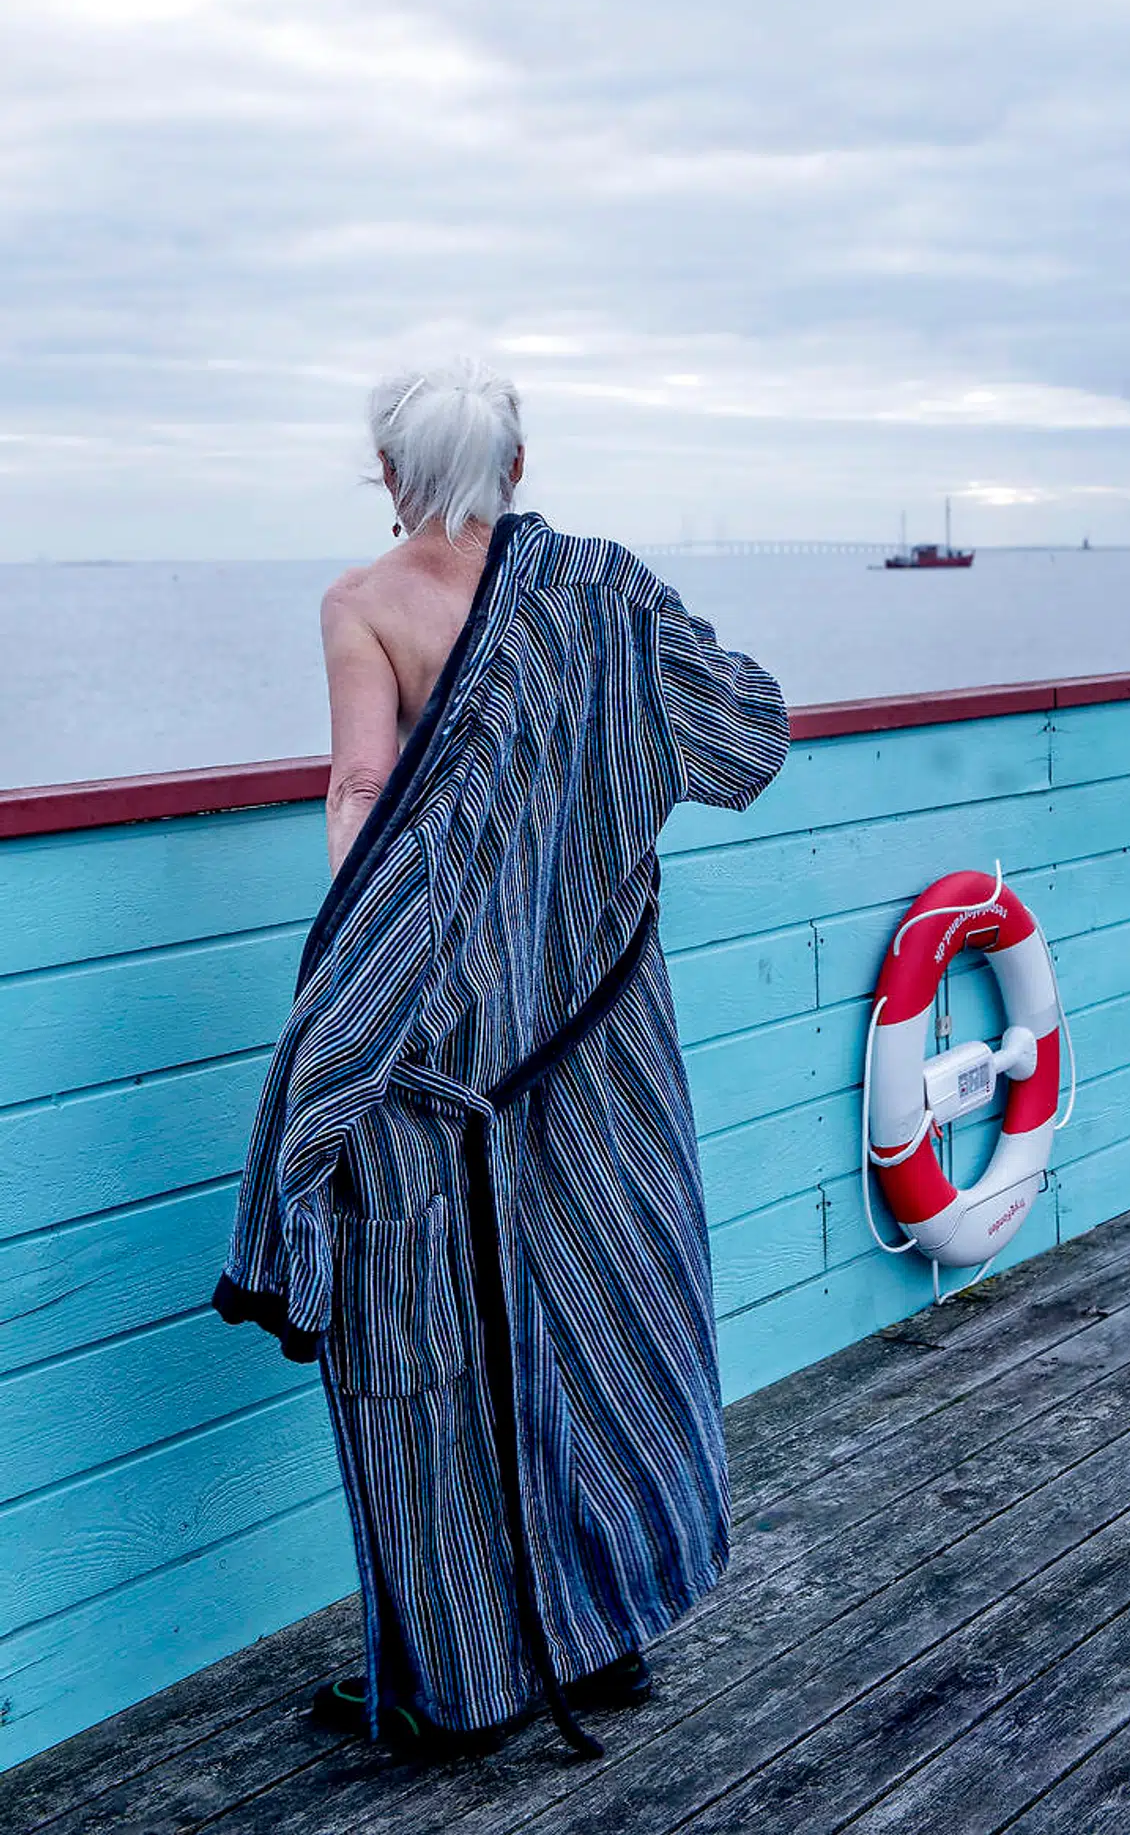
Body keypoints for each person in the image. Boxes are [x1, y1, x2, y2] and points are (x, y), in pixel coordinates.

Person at [212, 357, 789, 1763]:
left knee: (422, 1345)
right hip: (597, 1022)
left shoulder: (364, 604)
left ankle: (457, 1681)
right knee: (608, 1305)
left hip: (441, 1041)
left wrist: (358, 988)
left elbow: (361, 791)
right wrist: (584, 789)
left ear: (389, 473)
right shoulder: (601, 586)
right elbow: (744, 732)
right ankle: (604, 1638)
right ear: (518, 467)